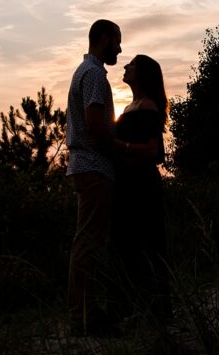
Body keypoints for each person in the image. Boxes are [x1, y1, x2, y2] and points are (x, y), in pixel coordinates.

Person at [65, 19, 123, 335]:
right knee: (88, 244)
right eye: (117, 40)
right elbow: (93, 123)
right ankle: (84, 317)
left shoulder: (84, 72)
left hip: (85, 166)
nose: (120, 48)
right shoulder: (95, 75)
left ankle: (85, 312)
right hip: (94, 167)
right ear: (103, 39)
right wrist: (118, 150)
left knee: (86, 242)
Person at [109, 54, 171, 323]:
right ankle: (135, 308)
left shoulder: (148, 108)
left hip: (142, 185)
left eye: (131, 64)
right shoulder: (128, 108)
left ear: (143, 74)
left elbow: (152, 150)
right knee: (127, 247)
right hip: (126, 185)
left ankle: (154, 310)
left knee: (146, 245)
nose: (125, 66)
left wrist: (119, 148)